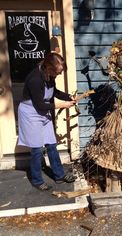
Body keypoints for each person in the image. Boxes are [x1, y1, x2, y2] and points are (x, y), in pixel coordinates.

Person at [18, 52, 77, 191]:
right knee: (37, 149)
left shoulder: (49, 76)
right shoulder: (35, 79)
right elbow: (40, 105)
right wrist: (62, 105)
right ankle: (37, 180)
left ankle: (59, 175)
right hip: (31, 114)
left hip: (43, 113)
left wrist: (68, 97)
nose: (60, 74)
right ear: (48, 68)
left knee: (51, 145)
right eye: (58, 72)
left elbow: (54, 92)